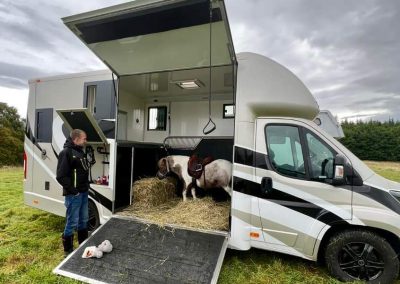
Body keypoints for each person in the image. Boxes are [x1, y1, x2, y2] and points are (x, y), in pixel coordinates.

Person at [56, 129, 90, 256]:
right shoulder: (66, 153)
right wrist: (74, 191)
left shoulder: (80, 151)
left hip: (84, 192)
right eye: (84, 139)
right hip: (74, 195)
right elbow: (61, 176)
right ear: (76, 139)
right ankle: (68, 250)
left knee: (84, 220)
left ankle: (83, 245)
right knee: (72, 222)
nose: (85, 141)